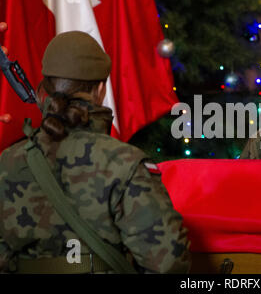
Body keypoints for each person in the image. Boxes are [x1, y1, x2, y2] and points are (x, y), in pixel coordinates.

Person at [0, 31, 191, 273]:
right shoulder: (125, 163)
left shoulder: (7, 161)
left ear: (44, 88)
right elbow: (168, 263)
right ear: (101, 89)